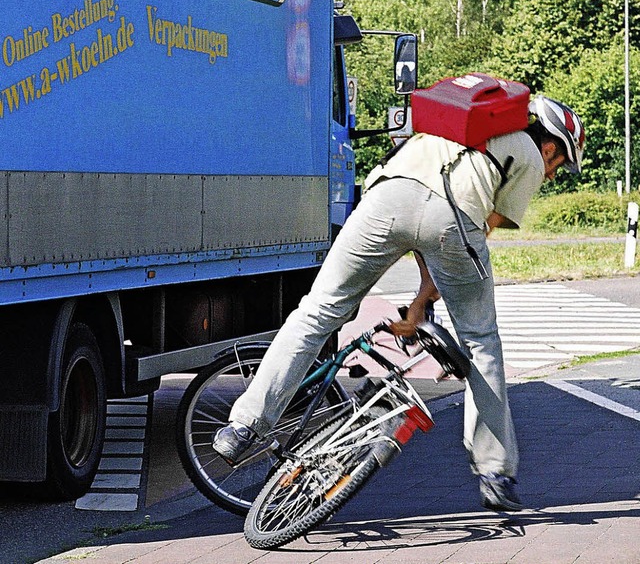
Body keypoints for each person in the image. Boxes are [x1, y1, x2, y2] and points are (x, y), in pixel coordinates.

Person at [213, 95, 586, 512]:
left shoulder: (455, 133)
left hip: (383, 199)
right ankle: (494, 472)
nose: (552, 174)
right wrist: (426, 298)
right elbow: (469, 227)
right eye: (559, 165)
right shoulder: (529, 154)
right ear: (551, 146)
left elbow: (422, 210)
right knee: (481, 343)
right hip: (451, 219)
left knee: (316, 312)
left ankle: (243, 426)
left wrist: (420, 301)